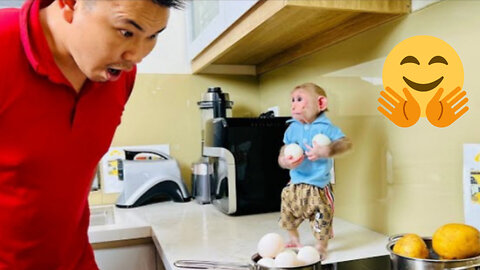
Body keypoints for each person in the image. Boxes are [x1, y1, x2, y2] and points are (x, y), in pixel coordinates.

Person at [0, 0, 183, 269]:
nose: (137, 56)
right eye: (126, 32)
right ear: (71, 4)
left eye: (152, 36)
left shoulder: (120, 77)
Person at [277, 83, 352, 260]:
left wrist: (326, 151)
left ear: (320, 103)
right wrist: (285, 162)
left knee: (322, 218)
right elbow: (283, 152)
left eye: (300, 99)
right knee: (287, 213)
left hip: (318, 186)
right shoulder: (292, 128)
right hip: (294, 184)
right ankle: (294, 239)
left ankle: (321, 247)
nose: (293, 104)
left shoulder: (326, 128)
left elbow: (346, 143)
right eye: (293, 100)